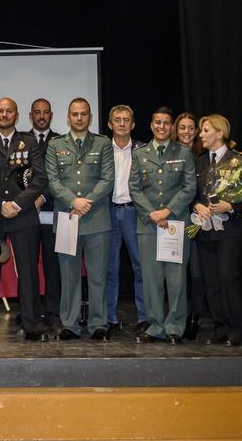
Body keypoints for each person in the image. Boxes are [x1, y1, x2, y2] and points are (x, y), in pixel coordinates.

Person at [45, 98, 115, 341]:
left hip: (97, 220)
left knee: (98, 276)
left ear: (90, 117)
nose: (79, 118)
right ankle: (70, 324)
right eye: (75, 114)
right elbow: (53, 181)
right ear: (68, 118)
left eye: (84, 114)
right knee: (69, 277)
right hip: (67, 217)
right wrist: (73, 201)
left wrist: (87, 202)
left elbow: (108, 179)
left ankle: (98, 324)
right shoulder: (55, 145)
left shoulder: (103, 143)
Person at [128, 108, 196, 344]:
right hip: (148, 224)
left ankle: (175, 326)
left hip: (175, 223)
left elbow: (189, 187)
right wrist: (153, 213)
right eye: (158, 122)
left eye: (166, 123)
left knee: (176, 279)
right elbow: (134, 189)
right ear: (151, 125)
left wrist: (167, 211)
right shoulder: (140, 154)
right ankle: (155, 325)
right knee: (151, 279)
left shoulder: (183, 152)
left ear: (172, 127)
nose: (162, 127)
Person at [0, 98, 49, 341]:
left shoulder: (29, 142)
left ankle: (32, 324)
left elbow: (40, 178)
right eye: (0, 111)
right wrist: (0, 205)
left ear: (17, 115)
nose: (4, 115)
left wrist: (16, 204)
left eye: (9, 111)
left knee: (28, 272)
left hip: (23, 215)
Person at [192, 114, 242, 346]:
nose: (201, 134)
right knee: (211, 280)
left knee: (227, 277)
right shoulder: (199, 162)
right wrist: (197, 205)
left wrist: (230, 206)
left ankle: (236, 328)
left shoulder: (237, 160)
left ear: (220, 133)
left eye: (206, 130)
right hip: (205, 230)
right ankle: (220, 327)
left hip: (230, 229)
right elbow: (192, 193)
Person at [105, 105, 147, 333]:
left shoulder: (143, 150)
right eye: (117, 119)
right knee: (110, 268)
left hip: (134, 213)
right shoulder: (102, 149)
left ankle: (144, 317)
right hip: (107, 213)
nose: (122, 123)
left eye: (126, 120)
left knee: (141, 267)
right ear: (110, 124)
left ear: (133, 124)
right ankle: (109, 319)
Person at [26, 98, 62, 330]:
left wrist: (42, 197)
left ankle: (53, 313)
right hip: (27, 213)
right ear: (30, 116)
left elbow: (59, 176)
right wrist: (29, 200)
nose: (41, 116)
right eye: (37, 112)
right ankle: (30, 314)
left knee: (53, 265)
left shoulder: (60, 141)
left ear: (51, 115)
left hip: (51, 211)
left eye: (45, 112)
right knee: (28, 267)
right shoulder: (22, 141)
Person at [172, 112, 205, 339]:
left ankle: (195, 316)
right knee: (178, 273)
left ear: (196, 131)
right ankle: (179, 317)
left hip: (201, 223)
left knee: (197, 272)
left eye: (191, 128)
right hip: (176, 220)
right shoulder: (171, 154)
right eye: (182, 127)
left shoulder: (203, 156)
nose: (186, 132)